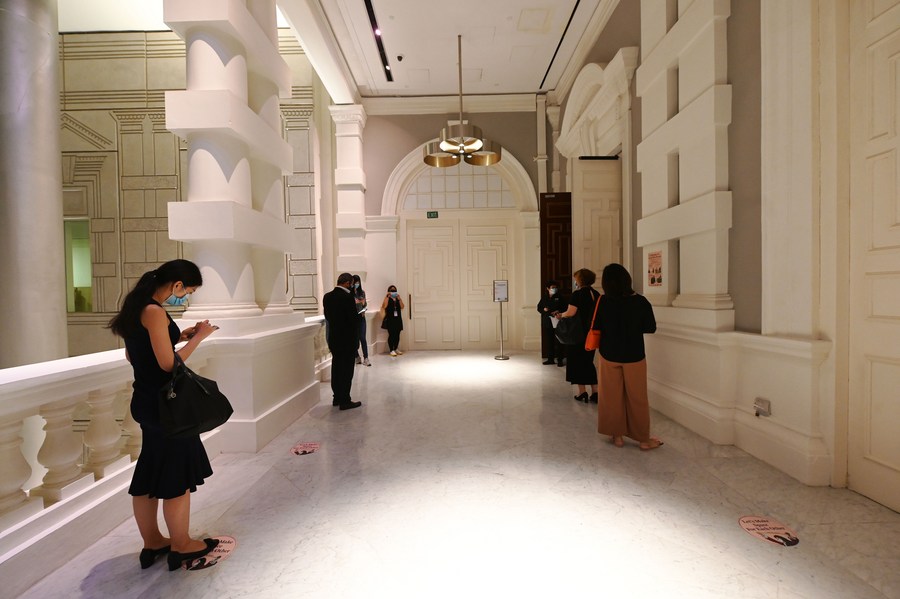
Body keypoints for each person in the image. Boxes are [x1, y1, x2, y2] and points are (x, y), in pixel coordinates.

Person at [107, 259, 222, 571]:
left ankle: (153, 542)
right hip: (167, 405)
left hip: (145, 400)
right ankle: (181, 544)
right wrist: (198, 338)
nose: (185, 297)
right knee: (176, 474)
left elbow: (134, 354)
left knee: (150, 471)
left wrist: (178, 336)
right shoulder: (155, 311)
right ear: (177, 285)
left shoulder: (136, 307)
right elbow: (168, 365)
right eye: (188, 292)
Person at [595, 263, 662, 450]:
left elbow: (597, 326)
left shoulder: (603, 301)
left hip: (609, 354)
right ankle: (643, 440)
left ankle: (617, 436)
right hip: (634, 354)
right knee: (637, 398)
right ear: (627, 279)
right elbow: (650, 327)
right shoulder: (640, 302)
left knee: (611, 396)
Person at [553, 268, 600, 403]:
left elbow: (571, 312)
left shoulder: (577, 294)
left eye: (576, 279)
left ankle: (582, 392)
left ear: (580, 280)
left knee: (576, 362)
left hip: (577, 334)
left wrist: (560, 315)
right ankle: (595, 392)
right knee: (588, 362)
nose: (575, 281)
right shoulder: (596, 294)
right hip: (591, 333)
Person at [323, 273, 362, 410]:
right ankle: (345, 400)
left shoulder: (327, 296)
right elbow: (353, 320)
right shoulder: (348, 297)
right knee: (347, 371)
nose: (352, 286)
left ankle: (337, 398)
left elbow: (328, 317)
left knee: (336, 369)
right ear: (347, 283)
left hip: (334, 339)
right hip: (348, 340)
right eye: (351, 283)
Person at [536, 279, 567, 366]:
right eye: (553, 287)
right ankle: (550, 359)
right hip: (548, 322)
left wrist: (558, 311)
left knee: (559, 341)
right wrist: (544, 310)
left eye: (556, 287)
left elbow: (565, 307)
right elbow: (539, 308)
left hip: (558, 322)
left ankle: (560, 360)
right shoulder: (544, 297)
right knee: (549, 341)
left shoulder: (560, 297)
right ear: (548, 288)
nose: (554, 289)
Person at [380, 285, 405, 356]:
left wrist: (399, 299)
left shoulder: (397, 298)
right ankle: (391, 350)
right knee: (391, 334)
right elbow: (384, 306)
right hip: (390, 319)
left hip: (398, 319)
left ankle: (396, 348)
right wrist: (387, 296)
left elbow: (402, 306)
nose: (393, 292)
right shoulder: (387, 298)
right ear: (389, 291)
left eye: (394, 290)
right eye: (392, 290)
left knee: (397, 334)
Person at [352, 274, 370, 366]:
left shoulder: (362, 292)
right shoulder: (349, 293)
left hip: (361, 317)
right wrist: (359, 303)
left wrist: (361, 304)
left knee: (362, 338)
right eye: (355, 282)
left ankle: (366, 358)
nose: (356, 284)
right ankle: (357, 357)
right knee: (354, 339)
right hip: (352, 319)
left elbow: (364, 304)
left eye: (358, 282)